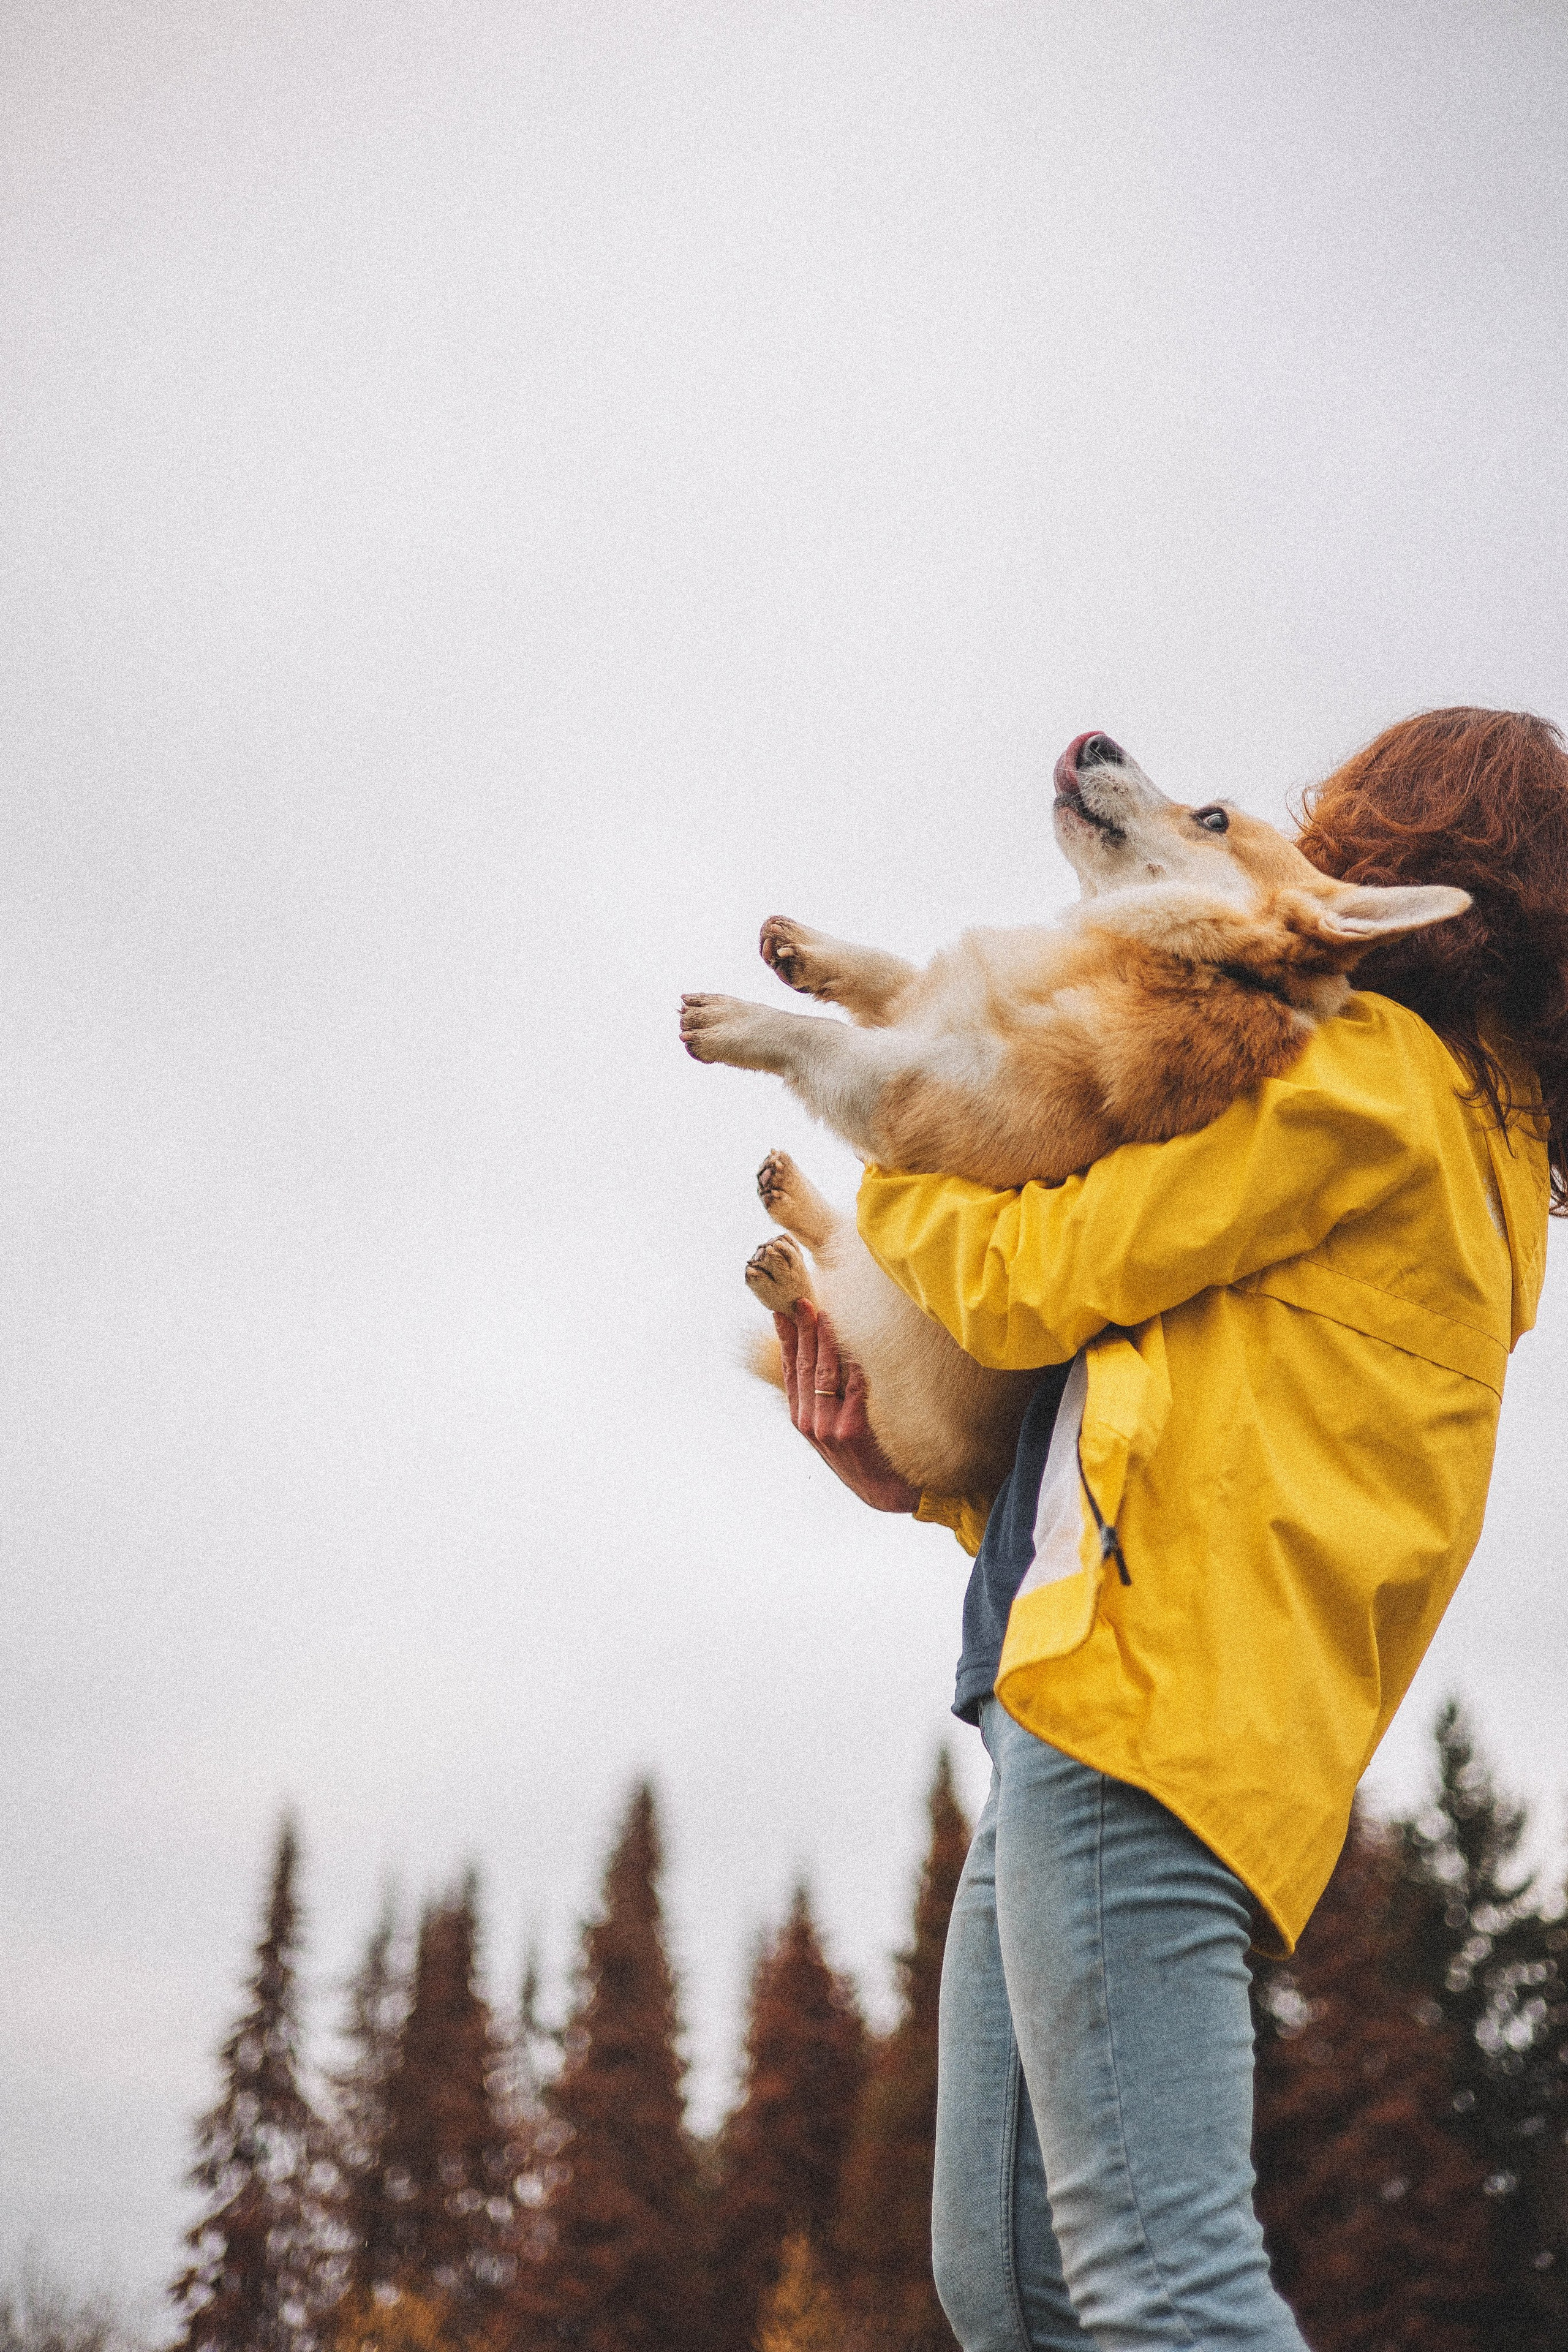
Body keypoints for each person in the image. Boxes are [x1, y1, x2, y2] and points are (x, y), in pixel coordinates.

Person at [773, 707, 1567, 2350]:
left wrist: (893, 1139)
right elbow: (1195, 1434)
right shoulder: (1483, 1169)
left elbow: (1037, 1274)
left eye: (1339, 832)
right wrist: (919, 1483)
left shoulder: (1366, 1081)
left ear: (1402, 864)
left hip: (1142, 1714)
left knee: (1157, 2287)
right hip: (1151, 1710)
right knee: (1015, 2285)